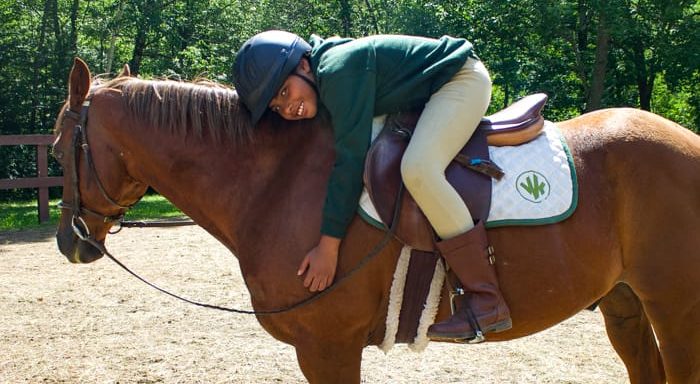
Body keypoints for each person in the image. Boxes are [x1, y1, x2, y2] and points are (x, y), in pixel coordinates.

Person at [233, 30, 511, 342]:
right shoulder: (326, 77)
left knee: (419, 168)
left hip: (461, 79)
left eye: (284, 92)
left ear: (304, 66)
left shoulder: (338, 71)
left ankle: (485, 298)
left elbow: (350, 161)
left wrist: (329, 246)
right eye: (276, 106)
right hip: (432, 90)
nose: (287, 108)